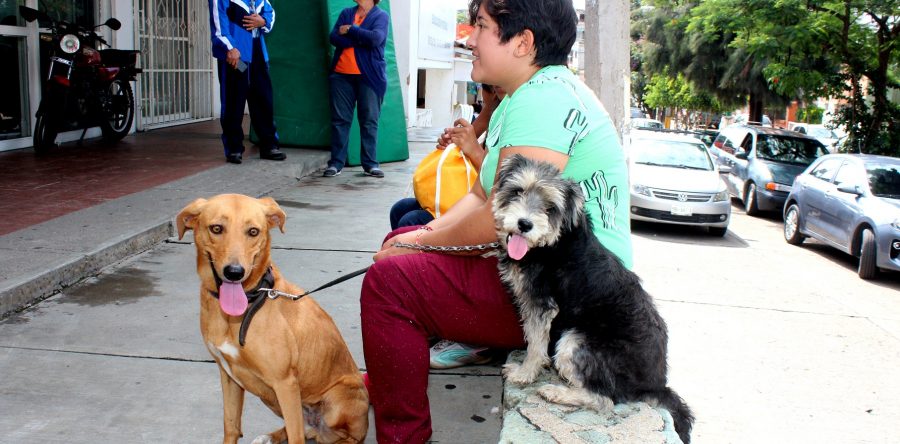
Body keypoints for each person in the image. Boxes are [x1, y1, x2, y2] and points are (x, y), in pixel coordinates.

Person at [359, 0, 633, 442]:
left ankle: (404, 434)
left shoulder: (543, 101)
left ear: (523, 42)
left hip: (571, 304)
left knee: (391, 282)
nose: (469, 37)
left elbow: (500, 222)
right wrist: (422, 236)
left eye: (481, 27)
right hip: (542, 271)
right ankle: (393, 374)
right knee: (402, 235)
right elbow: (482, 193)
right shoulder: (520, 96)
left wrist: (419, 247)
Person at [388, 85, 505, 230]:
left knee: (411, 221)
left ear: (494, 90)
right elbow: (474, 132)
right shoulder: (498, 105)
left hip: (492, 206)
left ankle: (411, 248)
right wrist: (454, 142)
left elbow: (503, 184)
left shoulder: (517, 111)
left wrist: (474, 151)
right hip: (473, 195)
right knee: (400, 208)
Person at [209, 0, 286, 164]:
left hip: (257, 55)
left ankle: (269, 145)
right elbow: (218, 23)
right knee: (233, 101)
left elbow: (270, 12)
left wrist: (263, 21)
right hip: (236, 57)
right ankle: (234, 148)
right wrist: (230, 48)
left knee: (263, 99)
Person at [325, 0, 390, 178]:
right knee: (340, 121)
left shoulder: (381, 16)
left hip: (370, 77)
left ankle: (370, 164)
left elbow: (376, 39)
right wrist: (360, 38)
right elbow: (334, 37)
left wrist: (351, 31)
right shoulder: (347, 12)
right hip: (341, 76)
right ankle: (336, 163)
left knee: (369, 121)